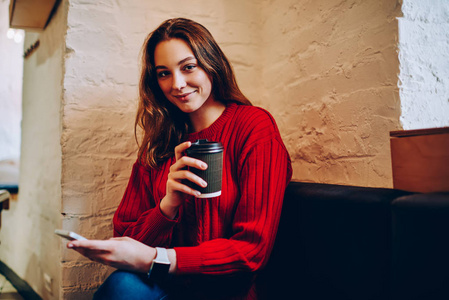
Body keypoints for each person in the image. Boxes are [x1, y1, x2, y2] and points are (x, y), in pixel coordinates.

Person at [68, 17, 292, 300]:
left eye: (188, 67)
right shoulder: (160, 140)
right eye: (163, 73)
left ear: (212, 64)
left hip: (225, 292)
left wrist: (159, 259)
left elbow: (251, 250)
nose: (177, 84)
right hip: (164, 290)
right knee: (122, 287)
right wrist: (167, 206)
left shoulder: (253, 127)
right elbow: (126, 238)